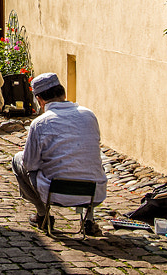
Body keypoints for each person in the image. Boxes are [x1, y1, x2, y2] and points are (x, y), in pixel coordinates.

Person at [11, 72, 106, 236]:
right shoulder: (89, 115)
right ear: (63, 93)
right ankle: (89, 219)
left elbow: (30, 164)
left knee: (18, 160)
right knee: (90, 162)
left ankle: (43, 215)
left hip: (56, 192)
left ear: (40, 100)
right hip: (94, 192)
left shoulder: (40, 123)